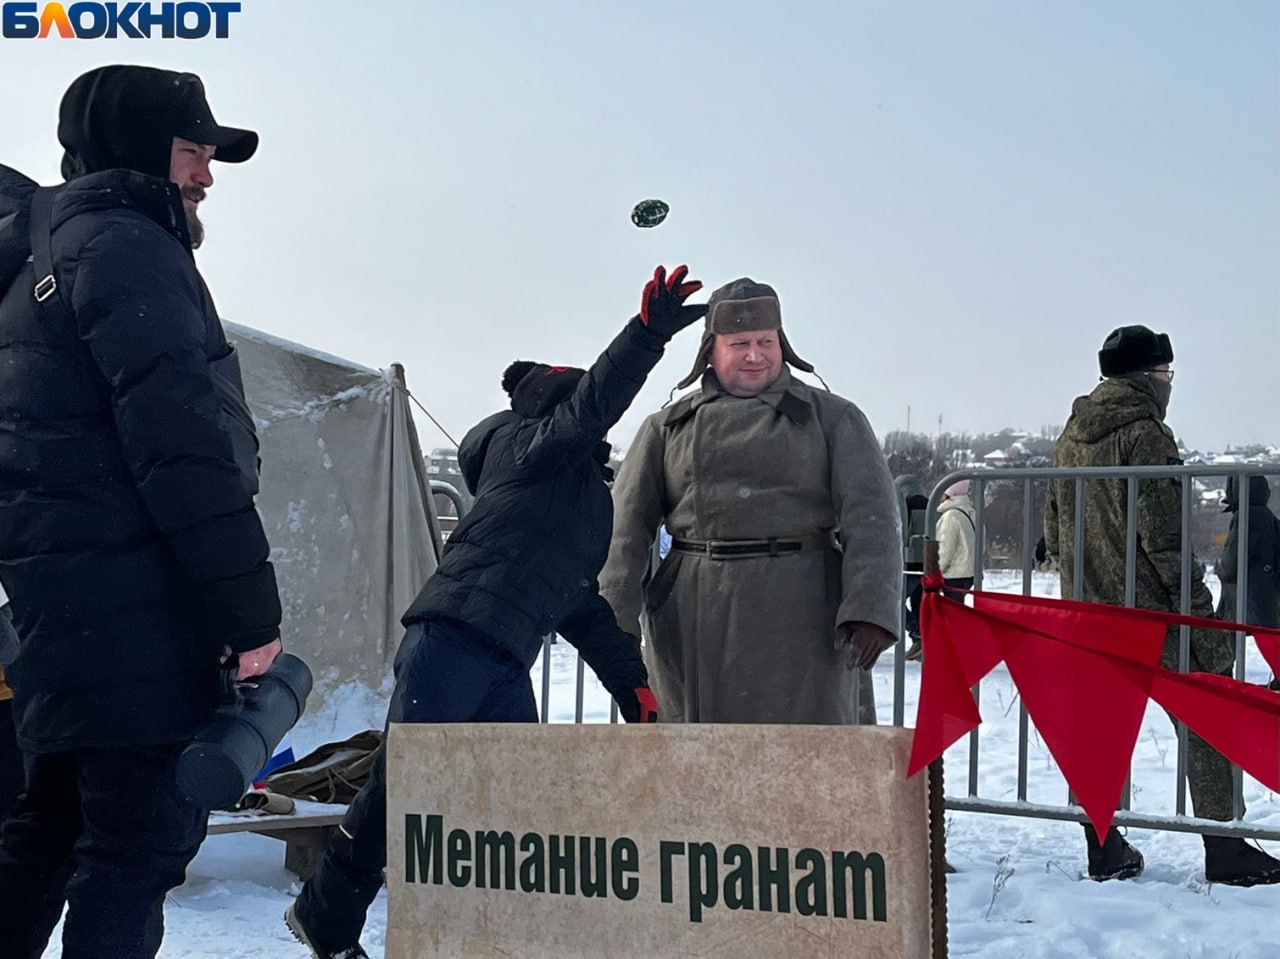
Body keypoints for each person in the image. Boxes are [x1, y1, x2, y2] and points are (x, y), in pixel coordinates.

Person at [284, 265, 706, 959]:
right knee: (401, 789)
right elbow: (591, 406)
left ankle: (497, 932)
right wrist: (646, 335)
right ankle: (323, 918)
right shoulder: (530, 449)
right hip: (450, 639)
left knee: (515, 801)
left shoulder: (576, 497)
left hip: (507, 660)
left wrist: (633, 687)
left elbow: (581, 603)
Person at [0, 65, 284, 958]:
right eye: (193, 150)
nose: (206, 175)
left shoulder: (43, 257)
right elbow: (182, 451)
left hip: (64, 619)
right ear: (135, 149)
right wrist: (250, 616)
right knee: (135, 848)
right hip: (139, 621)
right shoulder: (124, 244)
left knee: (45, 835)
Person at [599, 277, 901, 726]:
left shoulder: (834, 419)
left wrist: (870, 609)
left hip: (807, 619)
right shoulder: (667, 429)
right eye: (740, 344)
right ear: (711, 351)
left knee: (808, 756)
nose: (755, 355)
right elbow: (624, 533)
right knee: (698, 757)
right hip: (695, 619)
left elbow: (872, 519)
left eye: (766, 342)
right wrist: (615, 625)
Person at [1044, 325, 1280, 887]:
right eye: (1165, 374)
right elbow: (1164, 537)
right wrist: (1196, 609)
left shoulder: (1071, 434)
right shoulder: (1146, 434)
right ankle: (1224, 845)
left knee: (1097, 728)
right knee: (1205, 712)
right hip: (1151, 614)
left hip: (1089, 612)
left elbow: (1053, 529)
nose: (1168, 384)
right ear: (1150, 376)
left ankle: (1103, 845)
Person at [1215, 475, 1280, 690]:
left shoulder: (1246, 516)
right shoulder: (1265, 515)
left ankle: (1222, 681)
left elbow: (1233, 560)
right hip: (1264, 587)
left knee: (1229, 634)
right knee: (1267, 634)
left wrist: (1219, 567)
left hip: (1247, 591)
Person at [896, 474, 929, 660]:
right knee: (920, 605)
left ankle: (915, 633)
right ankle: (922, 643)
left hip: (909, 564)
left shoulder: (905, 506)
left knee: (897, 603)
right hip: (929, 565)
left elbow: (901, 534)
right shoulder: (932, 505)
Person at [936, 479, 977, 600]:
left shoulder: (950, 516)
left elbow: (945, 549)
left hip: (953, 574)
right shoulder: (973, 513)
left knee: (951, 609)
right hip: (970, 573)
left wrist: (936, 571)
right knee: (958, 608)